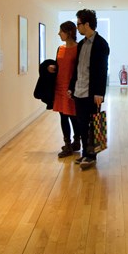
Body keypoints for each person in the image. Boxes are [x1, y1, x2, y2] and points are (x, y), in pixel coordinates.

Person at [68, 9, 110, 170]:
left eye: (78, 24)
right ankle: (86, 153)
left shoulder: (101, 44)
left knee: (93, 125)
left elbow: (102, 70)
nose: (77, 27)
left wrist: (100, 93)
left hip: (92, 93)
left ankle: (91, 155)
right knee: (81, 123)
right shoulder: (81, 44)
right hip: (79, 90)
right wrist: (72, 87)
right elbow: (77, 68)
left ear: (87, 24)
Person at [50, 21, 81, 158]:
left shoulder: (79, 48)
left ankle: (77, 141)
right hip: (59, 86)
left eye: (61, 31)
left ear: (68, 32)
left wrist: (73, 87)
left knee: (74, 116)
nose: (58, 34)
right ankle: (67, 144)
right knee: (63, 115)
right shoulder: (60, 48)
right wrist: (51, 68)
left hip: (72, 88)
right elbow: (59, 65)